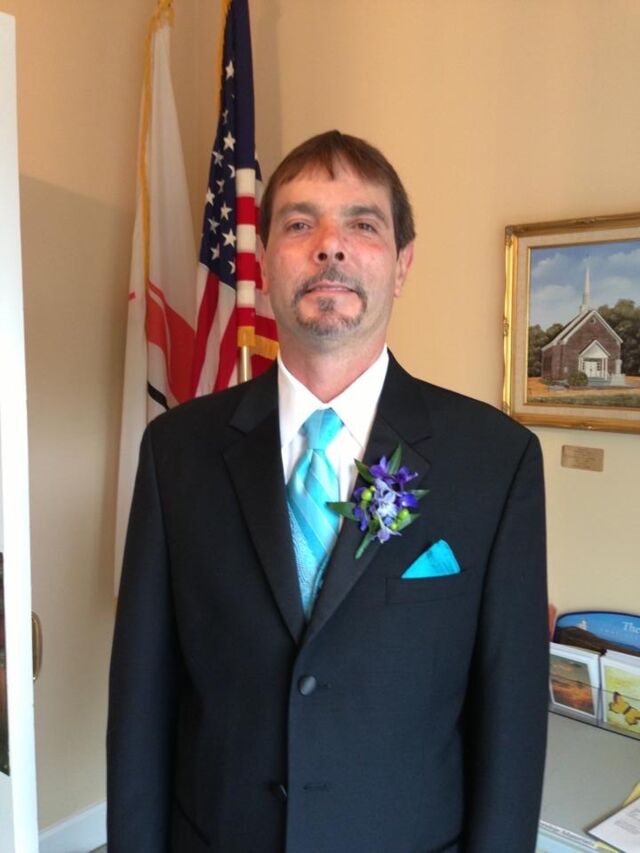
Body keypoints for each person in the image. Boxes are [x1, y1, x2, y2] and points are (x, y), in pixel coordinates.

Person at [107, 130, 548, 853]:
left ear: (403, 264)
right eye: (299, 224)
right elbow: (141, 701)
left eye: (363, 224)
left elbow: (512, 721)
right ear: (264, 262)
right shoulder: (175, 451)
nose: (330, 247)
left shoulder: (496, 462)